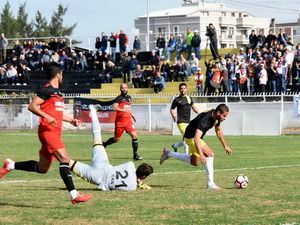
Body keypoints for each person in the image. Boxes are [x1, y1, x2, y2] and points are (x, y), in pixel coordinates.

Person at [0, 62, 92, 204]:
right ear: (57, 74)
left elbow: (57, 113)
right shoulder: (46, 90)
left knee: (42, 168)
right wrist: (46, 116)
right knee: (65, 159)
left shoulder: (58, 93)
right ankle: (74, 195)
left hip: (54, 132)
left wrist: (70, 120)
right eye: (61, 74)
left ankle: (11, 165)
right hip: (48, 132)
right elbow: (32, 106)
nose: (62, 76)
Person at [70, 105, 153, 191]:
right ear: (143, 176)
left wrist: (137, 180)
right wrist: (137, 182)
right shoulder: (132, 187)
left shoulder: (130, 165)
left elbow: (125, 172)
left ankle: (93, 111)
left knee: (97, 136)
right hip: (96, 178)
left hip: (103, 164)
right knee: (67, 162)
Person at [160, 104, 233, 190]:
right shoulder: (205, 119)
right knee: (210, 154)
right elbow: (196, 138)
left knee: (195, 162)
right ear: (218, 113)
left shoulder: (216, 117)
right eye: (224, 116)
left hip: (194, 137)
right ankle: (210, 184)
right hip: (191, 137)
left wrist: (225, 146)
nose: (225, 118)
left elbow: (218, 130)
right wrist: (201, 154)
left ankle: (168, 153)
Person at [103, 83, 143, 160]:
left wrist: (132, 115)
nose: (123, 89)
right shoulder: (118, 98)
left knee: (134, 135)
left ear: (127, 88)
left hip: (128, 121)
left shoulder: (129, 98)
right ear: (120, 89)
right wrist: (122, 110)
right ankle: (105, 144)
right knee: (116, 140)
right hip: (120, 122)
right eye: (122, 88)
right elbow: (114, 107)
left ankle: (135, 155)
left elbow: (128, 108)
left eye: (125, 88)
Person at [170, 83, 200, 154]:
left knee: (186, 138)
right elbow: (172, 109)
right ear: (179, 89)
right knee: (188, 137)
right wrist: (174, 116)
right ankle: (187, 154)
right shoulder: (176, 100)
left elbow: (194, 107)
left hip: (188, 121)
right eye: (181, 88)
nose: (182, 90)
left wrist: (200, 114)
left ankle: (175, 146)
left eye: (184, 88)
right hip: (180, 121)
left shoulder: (189, 98)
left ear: (186, 89)